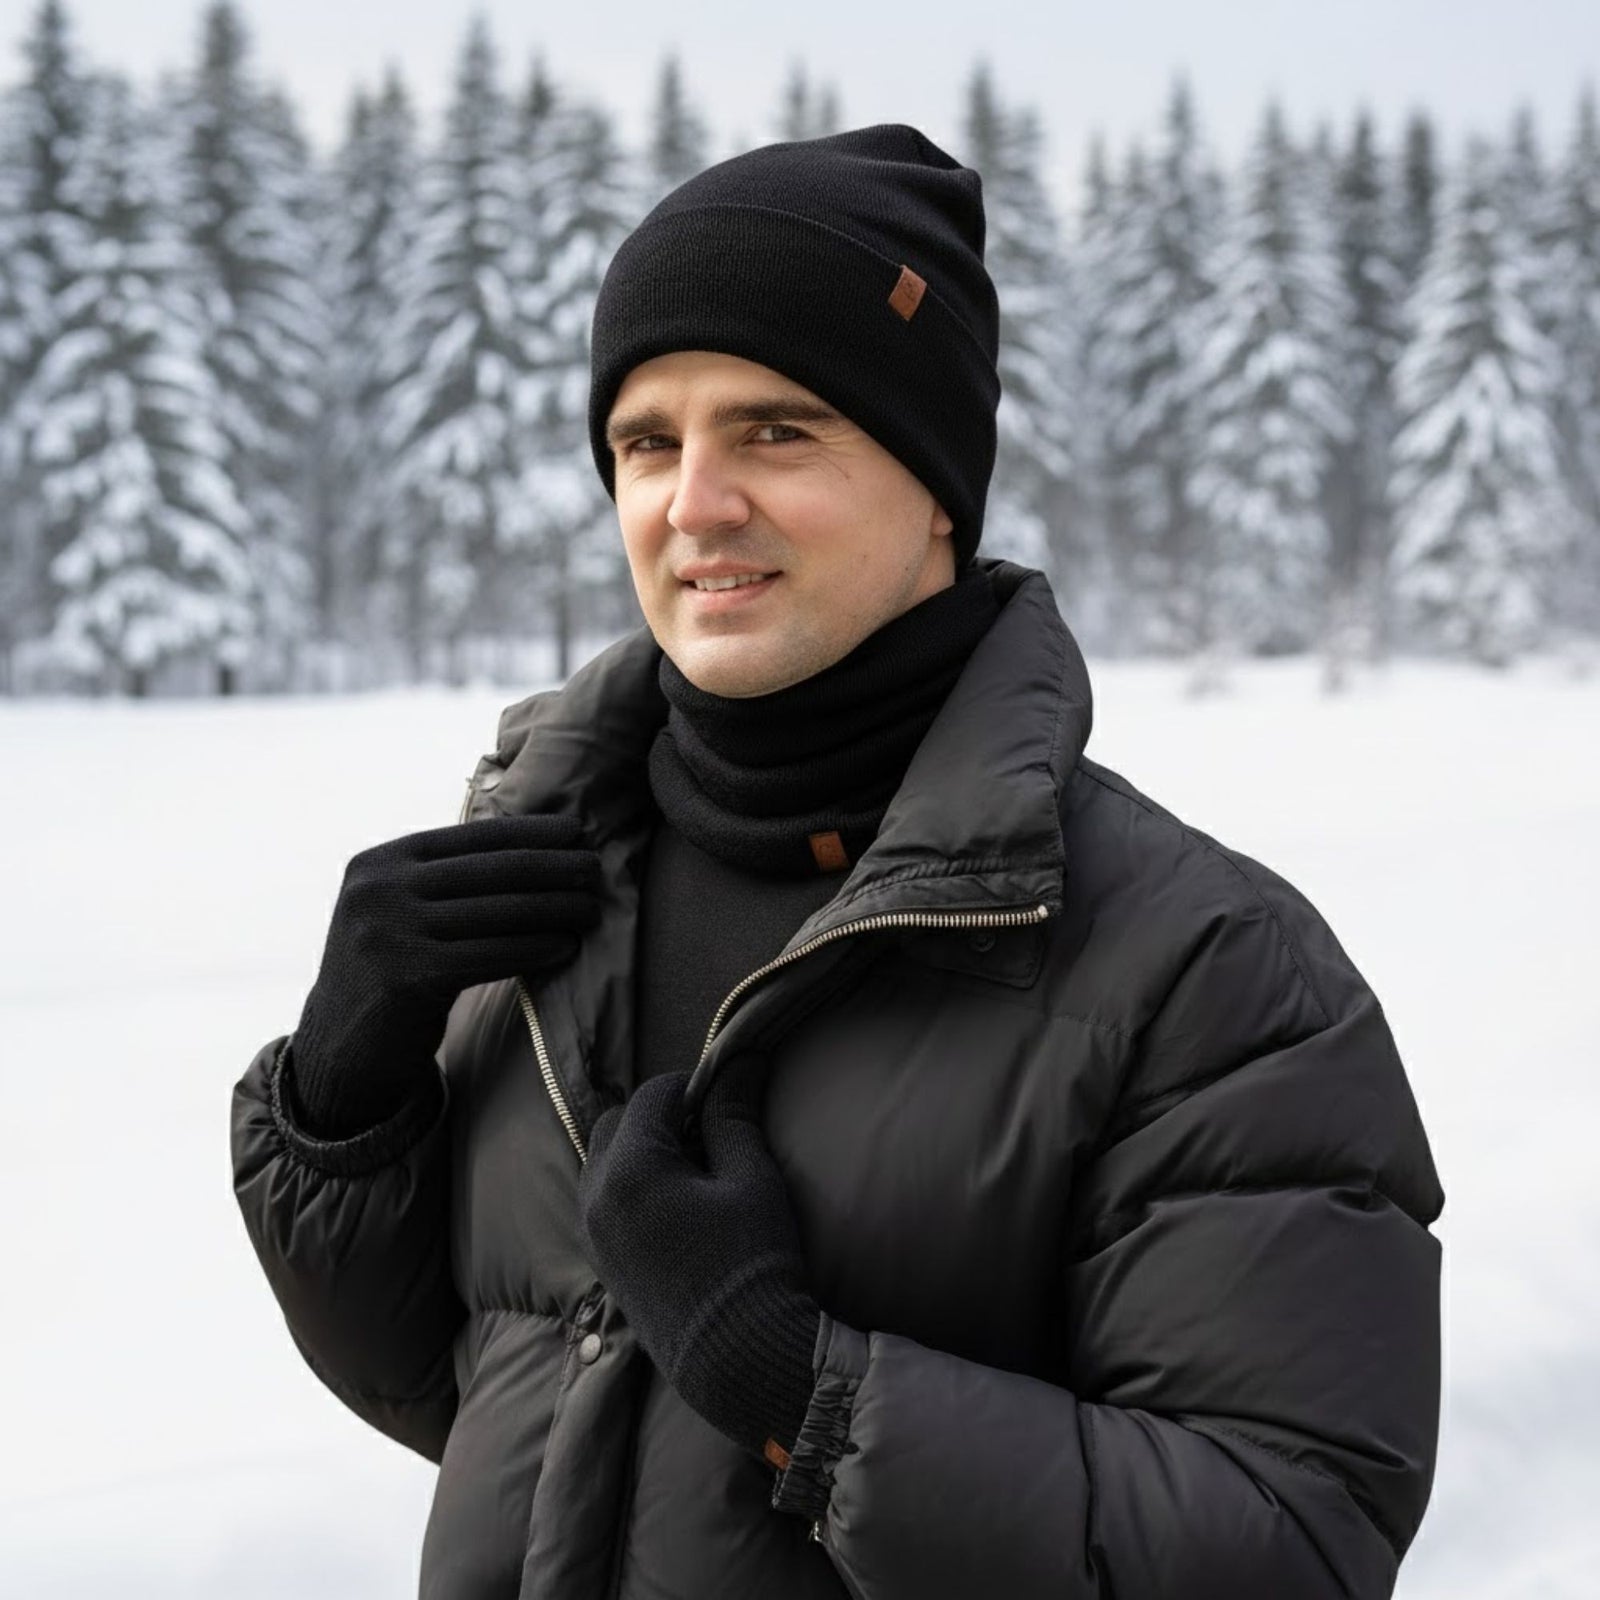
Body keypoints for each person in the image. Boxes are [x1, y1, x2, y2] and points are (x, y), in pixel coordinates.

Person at [231, 124, 1443, 1600]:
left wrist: (802, 1390)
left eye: (777, 431)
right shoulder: (538, 890)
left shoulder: (1202, 970)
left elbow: (1290, 1539)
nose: (695, 503)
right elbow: (470, 1378)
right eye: (646, 442)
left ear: (938, 483)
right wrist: (344, 1111)